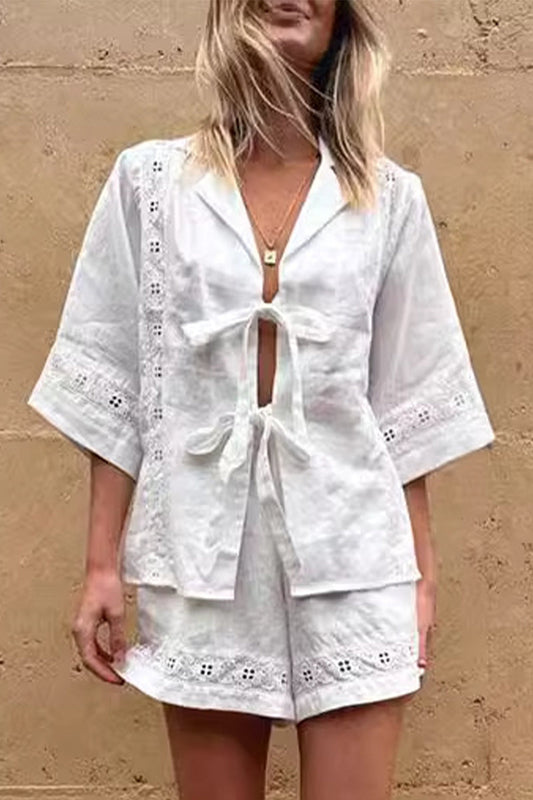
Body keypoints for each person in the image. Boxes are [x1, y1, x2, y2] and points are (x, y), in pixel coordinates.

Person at [27, 1, 495, 798]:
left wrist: (421, 576)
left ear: (342, 18)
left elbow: (404, 405)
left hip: (354, 556)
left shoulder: (388, 198)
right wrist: (101, 566)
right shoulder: (151, 183)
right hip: (201, 556)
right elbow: (115, 381)